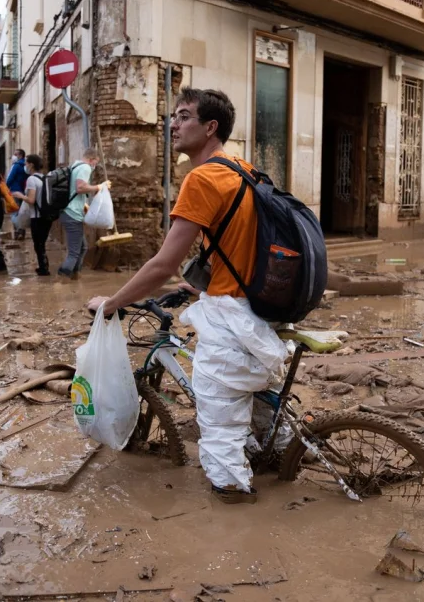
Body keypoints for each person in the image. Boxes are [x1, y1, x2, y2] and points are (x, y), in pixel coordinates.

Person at [86, 88, 289, 505]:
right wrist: (203, 283)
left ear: (210, 127)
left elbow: (162, 264)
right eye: (172, 117)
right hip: (261, 309)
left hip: (234, 318)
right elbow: (239, 243)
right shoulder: (245, 171)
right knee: (259, 407)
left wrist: (112, 304)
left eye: (183, 116)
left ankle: (233, 517)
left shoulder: (202, 177)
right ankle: (286, 460)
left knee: (220, 428)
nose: (173, 125)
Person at [57, 148, 109, 279]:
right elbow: (80, 188)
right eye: (95, 162)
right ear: (91, 159)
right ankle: (62, 277)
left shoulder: (75, 166)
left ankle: (75, 275)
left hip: (69, 211)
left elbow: (74, 190)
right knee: (74, 252)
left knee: (83, 247)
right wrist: (99, 187)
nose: (94, 166)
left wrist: (84, 204)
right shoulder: (85, 167)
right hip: (72, 214)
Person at [11, 154, 53, 275]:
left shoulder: (31, 180)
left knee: (38, 244)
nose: (25, 166)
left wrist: (20, 196)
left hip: (37, 217)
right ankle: (43, 267)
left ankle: (44, 270)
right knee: (42, 243)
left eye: (26, 163)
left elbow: (31, 200)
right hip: (47, 216)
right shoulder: (45, 178)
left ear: (31, 165)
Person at [5, 149, 28, 240]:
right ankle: (22, 232)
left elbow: (10, 178)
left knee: (15, 211)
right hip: (24, 191)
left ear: (21, 155)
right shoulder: (26, 165)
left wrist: (6, 189)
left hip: (15, 191)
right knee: (22, 212)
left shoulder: (16, 165)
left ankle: (17, 233)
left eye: (15, 154)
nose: (14, 156)